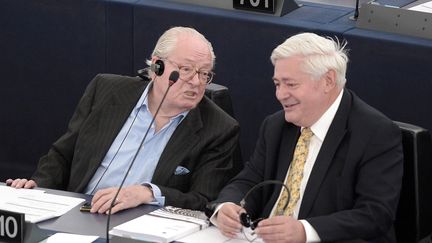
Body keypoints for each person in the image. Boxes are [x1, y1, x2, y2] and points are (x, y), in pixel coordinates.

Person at [6, 26, 240, 215]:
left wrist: (149, 193)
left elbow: (204, 201)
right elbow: (62, 154)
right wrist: (36, 188)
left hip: (142, 226)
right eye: (187, 69)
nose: (196, 82)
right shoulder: (106, 90)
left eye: (204, 74)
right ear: (157, 65)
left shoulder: (219, 128)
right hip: (78, 211)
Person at [211, 32, 403, 242]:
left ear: (328, 81)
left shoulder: (375, 133)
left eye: (291, 84)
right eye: (277, 84)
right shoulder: (276, 125)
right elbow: (250, 179)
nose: (280, 94)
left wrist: (305, 231)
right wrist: (227, 205)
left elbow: (375, 215)